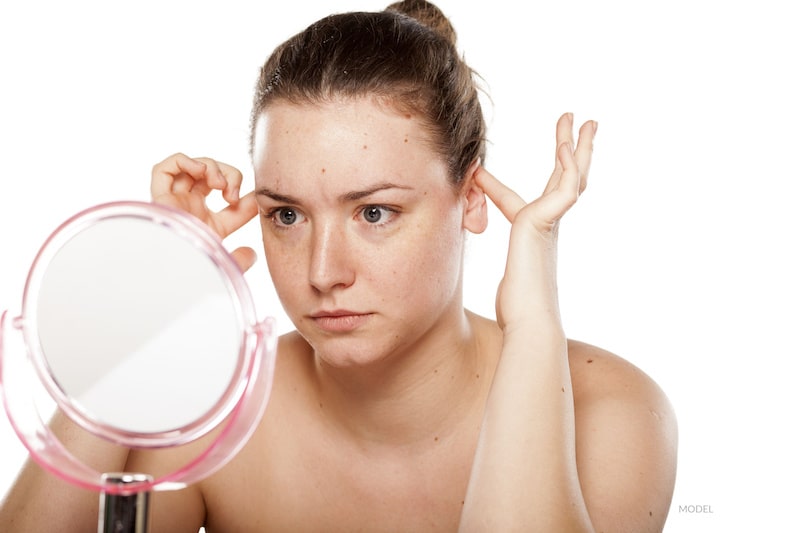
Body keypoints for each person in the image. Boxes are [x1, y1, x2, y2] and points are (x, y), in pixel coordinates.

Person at [0, 1, 678, 531]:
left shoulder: (609, 414)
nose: (323, 272)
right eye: (287, 215)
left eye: (374, 212)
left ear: (472, 197)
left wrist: (534, 323)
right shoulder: (216, 416)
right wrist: (144, 332)